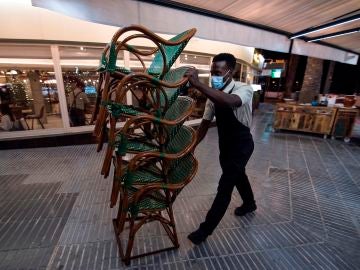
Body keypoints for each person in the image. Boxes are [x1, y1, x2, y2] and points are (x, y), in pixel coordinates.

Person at [185, 53, 256, 245]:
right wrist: (191, 148)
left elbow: (231, 101)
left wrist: (199, 84)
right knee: (238, 175)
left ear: (230, 72)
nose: (213, 75)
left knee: (225, 186)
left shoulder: (244, 89)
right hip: (225, 145)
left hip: (242, 145)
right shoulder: (212, 97)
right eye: (211, 71)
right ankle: (250, 203)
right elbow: (204, 125)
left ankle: (204, 230)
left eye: (217, 72)